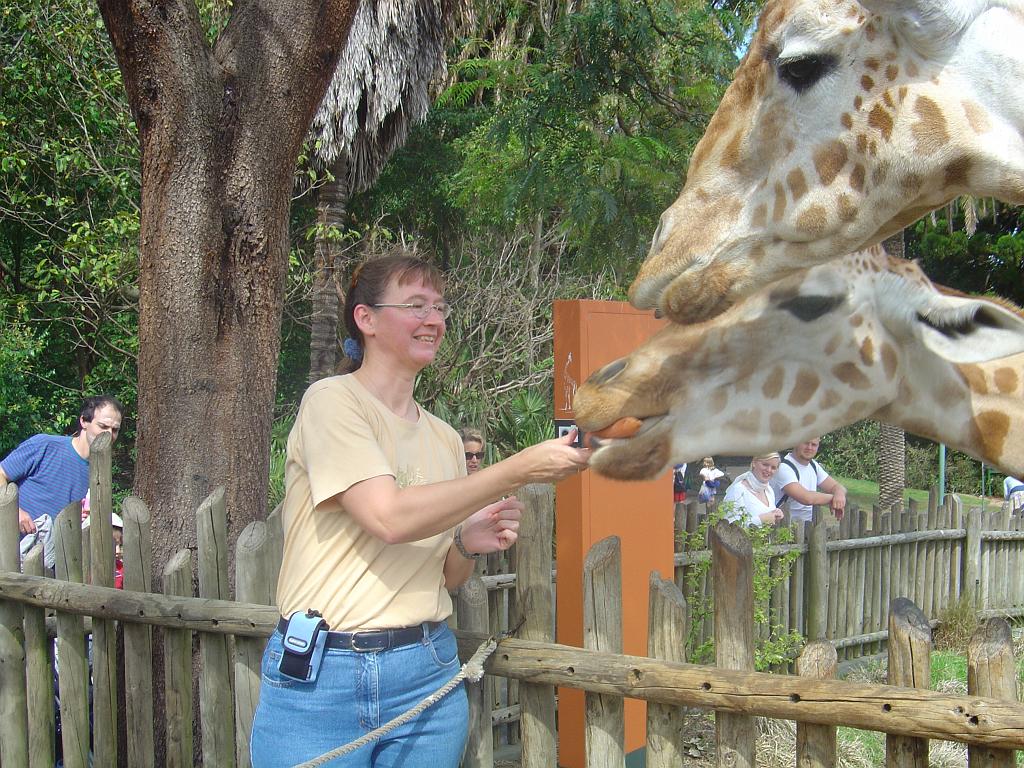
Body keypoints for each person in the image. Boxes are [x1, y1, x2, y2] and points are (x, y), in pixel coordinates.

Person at [249, 255, 590, 768]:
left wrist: (464, 542)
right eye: (415, 305)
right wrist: (520, 468)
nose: (434, 319)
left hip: (425, 667)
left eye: (439, 307)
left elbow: (447, 578)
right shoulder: (331, 403)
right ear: (365, 319)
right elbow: (389, 518)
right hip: (323, 678)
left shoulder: (445, 439)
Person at [2, 395, 124, 569]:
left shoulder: (100, 472)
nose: (109, 435)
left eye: (115, 430)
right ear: (84, 421)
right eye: (103, 426)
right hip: (8, 552)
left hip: (51, 566)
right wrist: (15, 511)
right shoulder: (44, 445)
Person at [770, 437, 847, 524]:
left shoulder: (813, 465)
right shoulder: (784, 468)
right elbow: (806, 498)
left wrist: (839, 494)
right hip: (785, 528)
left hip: (808, 527)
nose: (809, 448)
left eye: (814, 445)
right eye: (806, 443)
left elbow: (835, 486)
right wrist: (834, 499)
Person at [722, 452, 786, 527]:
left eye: (773, 468)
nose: (769, 470)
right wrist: (761, 520)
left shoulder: (769, 491)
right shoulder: (738, 490)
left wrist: (775, 515)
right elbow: (729, 528)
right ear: (754, 463)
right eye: (765, 464)